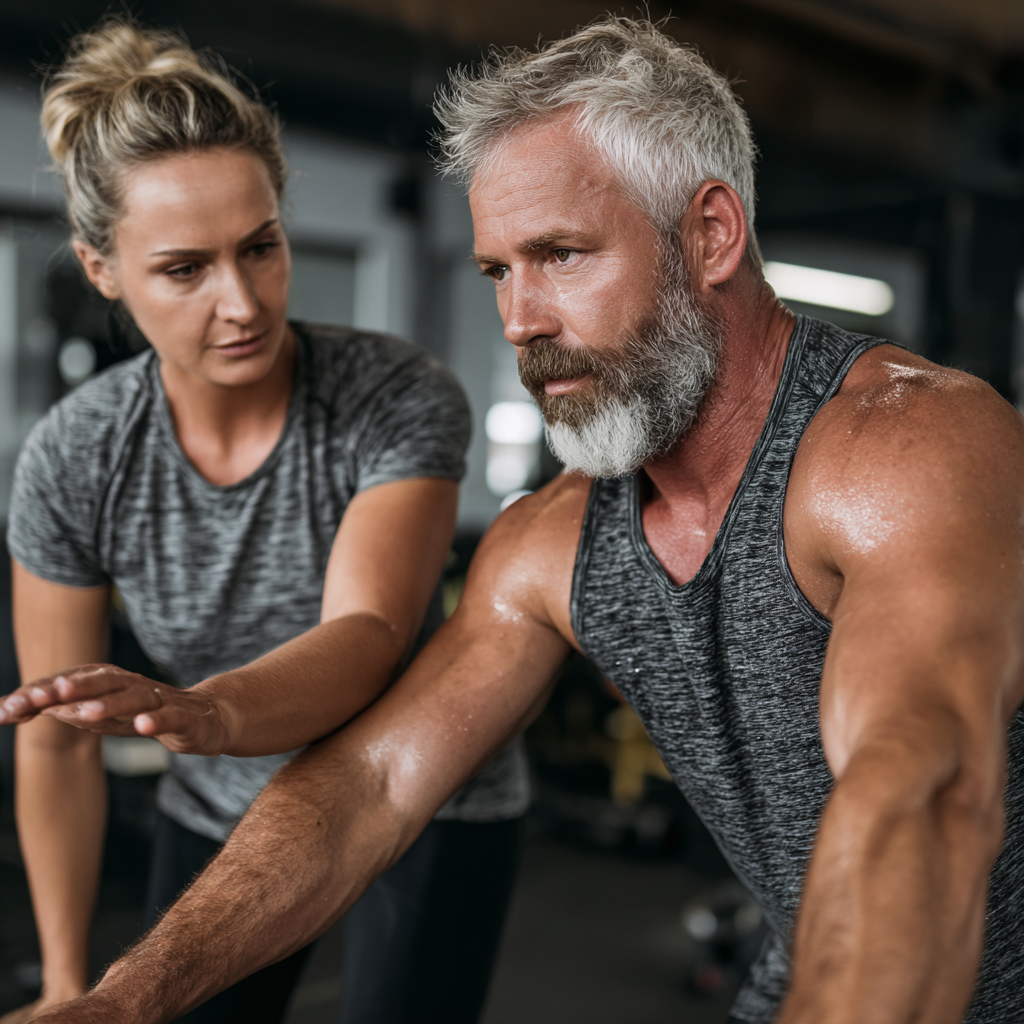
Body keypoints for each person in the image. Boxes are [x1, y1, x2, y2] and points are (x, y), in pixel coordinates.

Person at [4, 15, 1024, 1024]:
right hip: (816, 970)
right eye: (500, 269)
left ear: (711, 233)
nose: (520, 321)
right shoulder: (553, 538)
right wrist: (120, 1001)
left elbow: (922, 792)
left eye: (563, 256)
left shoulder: (902, 450)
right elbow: (367, 783)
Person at [0, 18, 528, 1024]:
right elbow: (57, 742)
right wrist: (71, 981)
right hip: (216, 816)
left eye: (261, 247)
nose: (241, 301)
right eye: (184, 268)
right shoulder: (77, 454)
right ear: (102, 268)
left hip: (420, 799)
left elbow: (368, 637)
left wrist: (212, 712)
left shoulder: (394, 394)